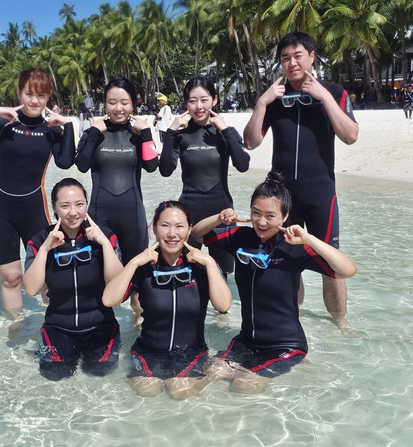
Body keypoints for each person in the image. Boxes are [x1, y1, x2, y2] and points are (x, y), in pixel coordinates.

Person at [192, 173, 356, 393]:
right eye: (256, 213)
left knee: (244, 385)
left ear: (285, 216)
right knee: (211, 372)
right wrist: (219, 218)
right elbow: (197, 234)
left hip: (286, 346)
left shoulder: (294, 247)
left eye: (270, 215)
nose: (262, 221)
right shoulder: (241, 237)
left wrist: (308, 238)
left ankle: (293, 363)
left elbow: (347, 270)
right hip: (247, 340)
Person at [242, 31, 358, 330]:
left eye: (297, 56)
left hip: (320, 194)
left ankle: (340, 323)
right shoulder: (275, 97)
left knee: (331, 265)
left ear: (311, 56)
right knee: (288, 261)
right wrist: (262, 102)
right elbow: (251, 142)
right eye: (285, 58)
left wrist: (322, 97)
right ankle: (295, 320)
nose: (291, 62)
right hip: (282, 198)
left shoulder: (333, 91)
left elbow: (350, 135)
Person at [0, 68, 75, 323]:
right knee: (11, 277)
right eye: (29, 94)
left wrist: (68, 127)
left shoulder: (53, 130)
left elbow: (67, 162)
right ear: (19, 93)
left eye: (42, 95)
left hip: (35, 212)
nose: (35, 101)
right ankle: (15, 333)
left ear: (48, 98)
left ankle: (57, 326)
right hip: (1, 213)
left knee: (49, 276)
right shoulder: (4, 124)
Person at [102, 201, 231, 399]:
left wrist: (209, 263)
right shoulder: (144, 266)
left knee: (180, 392)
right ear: (154, 229)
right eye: (165, 226)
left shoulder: (201, 266)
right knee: (148, 392)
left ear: (189, 230)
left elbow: (223, 305)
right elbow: (109, 300)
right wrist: (135, 262)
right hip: (147, 352)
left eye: (179, 226)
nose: (172, 234)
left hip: (191, 353)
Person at [23, 178, 124, 380]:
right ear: (54, 208)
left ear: (87, 204)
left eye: (79, 204)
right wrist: (45, 249)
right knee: (54, 376)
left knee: (101, 375)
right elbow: (32, 289)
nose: (73, 212)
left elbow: (118, 288)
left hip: (101, 326)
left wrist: (104, 244)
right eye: (65, 205)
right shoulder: (40, 240)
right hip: (58, 327)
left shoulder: (104, 236)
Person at [159, 76, 250, 274]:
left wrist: (225, 129)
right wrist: (170, 133)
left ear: (214, 100)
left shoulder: (224, 132)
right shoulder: (181, 135)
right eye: (192, 101)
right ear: (186, 103)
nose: (198, 106)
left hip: (223, 212)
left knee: (222, 274)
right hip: (189, 214)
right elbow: (165, 170)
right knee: (188, 275)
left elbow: (243, 165)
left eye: (204, 99)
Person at [75, 76, 159, 275]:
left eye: (124, 102)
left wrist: (146, 134)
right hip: (99, 217)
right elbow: (81, 165)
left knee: (138, 280)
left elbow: (152, 166)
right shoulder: (94, 133)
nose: (118, 108)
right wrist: (94, 134)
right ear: (104, 103)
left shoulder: (138, 133)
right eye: (112, 102)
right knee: (101, 279)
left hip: (133, 217)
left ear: (133, 104)